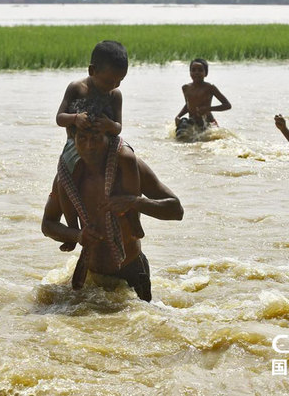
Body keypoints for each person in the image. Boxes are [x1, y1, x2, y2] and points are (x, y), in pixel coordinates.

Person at [42, 125, 183, 302]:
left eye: (95, 139)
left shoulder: (130, 168)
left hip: (130, 270)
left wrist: (135, 202)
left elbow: (176, 210)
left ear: (109, 139)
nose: (89, 146)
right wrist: (77, 235)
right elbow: (47, 224)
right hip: (91, 275)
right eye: (82, 139)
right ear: (74, 141)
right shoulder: (68, 177)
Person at [54, 40, 144, 251]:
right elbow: (59, 118)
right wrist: (75, 118)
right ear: (92, 70)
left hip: (107, 141)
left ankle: (133, 215)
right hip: (77, 144)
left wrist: (108, 125)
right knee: (64, 180)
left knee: (130, 159)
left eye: (120, 80)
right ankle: (72, 229)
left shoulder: (115, 95)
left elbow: (118, 127)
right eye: (109, 81)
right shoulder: (77, 88)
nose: (114, 85)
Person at [174, 58, 231, 137]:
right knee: (181, 137)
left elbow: (227, 105)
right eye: (193, 70)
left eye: (200, 70)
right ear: (190, 73)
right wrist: (178, 116)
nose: (196, 72)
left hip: (207, 122)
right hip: (193, 122)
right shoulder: (185, 88)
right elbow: (188, 104)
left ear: (206, 73)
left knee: (212, 140)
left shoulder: (210, 87)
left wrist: (207, 108)